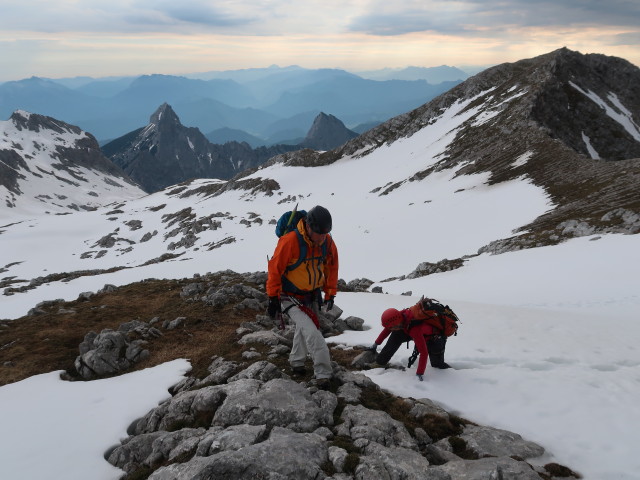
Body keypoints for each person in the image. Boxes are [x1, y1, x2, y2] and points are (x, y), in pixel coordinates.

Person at [266, 205, 339, 390]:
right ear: (308, 226)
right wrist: (273, 298)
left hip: (311, 296)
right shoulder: (290, 241)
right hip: (289, 297)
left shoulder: (327, 241)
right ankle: (323, 375)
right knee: (314, 334)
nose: (322, 238)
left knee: (304, 327)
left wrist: (330, 293)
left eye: (325, 233)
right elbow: (275, 269)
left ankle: (296, 362)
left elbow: (332, 266)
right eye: (319, 233)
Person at [368, 301, 451, 381]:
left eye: (391, 327)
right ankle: (381, 362)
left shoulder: (414, 329)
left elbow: (423, 352)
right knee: (396, 335)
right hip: (411, 330)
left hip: (435, 338)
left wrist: (420, 373)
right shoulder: (400, 316)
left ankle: (453, 373)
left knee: (437, 365)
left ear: (396, 324)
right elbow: (387, 330)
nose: (390, 329)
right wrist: (376, 344)